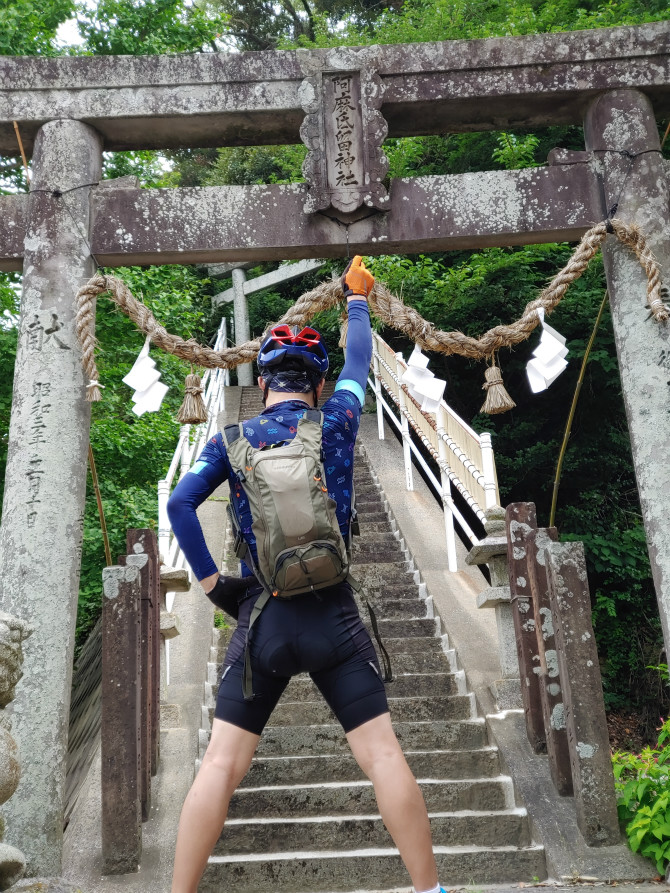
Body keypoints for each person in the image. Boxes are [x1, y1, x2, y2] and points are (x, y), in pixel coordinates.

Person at [167, 256, 445, 893]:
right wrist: (354, 300)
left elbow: (180, 504)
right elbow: (357, 363)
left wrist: (214, 587)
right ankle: (431, 890)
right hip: (335, 617)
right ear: (316, 385)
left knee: (220, 765)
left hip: (262, 618)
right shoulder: (338, 421)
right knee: (382, 758)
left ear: (263, 383)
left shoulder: (234, 439)